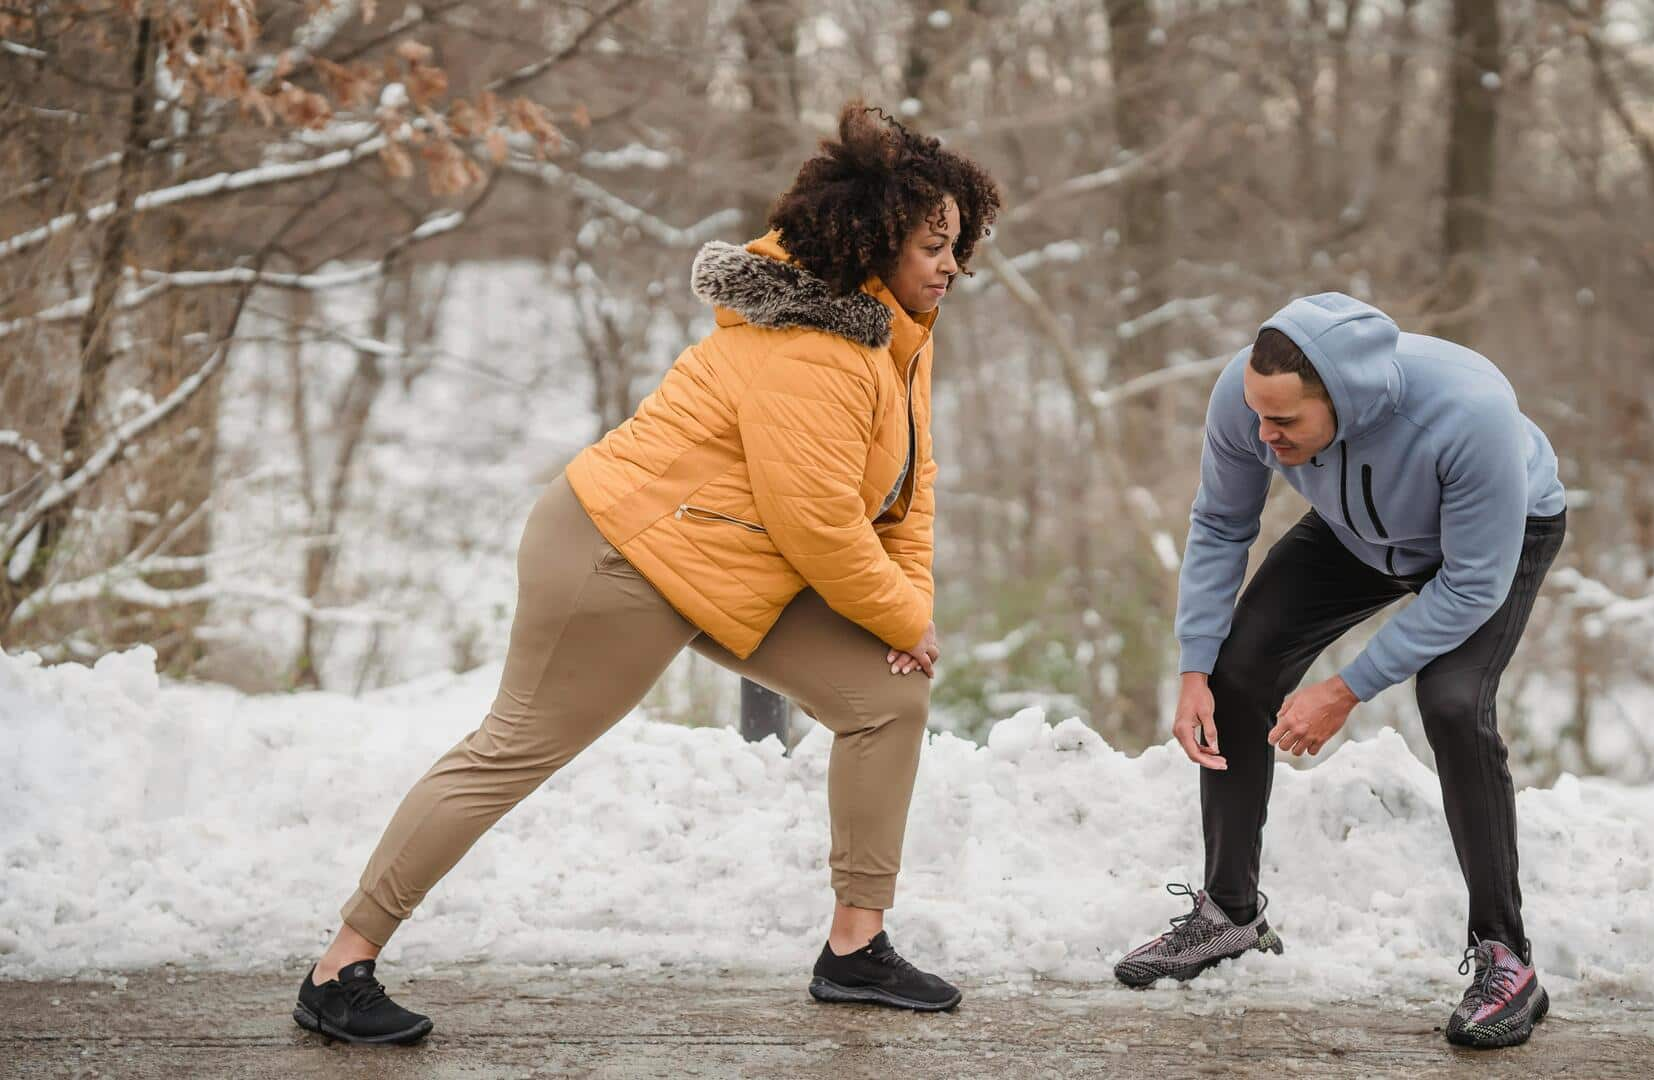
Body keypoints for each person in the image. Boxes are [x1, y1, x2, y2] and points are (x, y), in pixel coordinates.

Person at [293, 103, 1002, 1044]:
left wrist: (904, 615)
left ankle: (854, 949)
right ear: (874, 243)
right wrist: (903, 618)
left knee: (885, 700)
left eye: (957, 242)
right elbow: (820, 522)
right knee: (513, 751)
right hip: (617, 552)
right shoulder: (818, 354)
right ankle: (339, 966)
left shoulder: (894, 339)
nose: (950, 264)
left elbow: (907, 495)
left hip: (723, 561)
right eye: (931, 244)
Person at [1114, 293, 1566, 1050]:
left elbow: (1473, 586)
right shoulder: (1249, 394)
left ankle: (1507, 958)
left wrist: (1347, 686)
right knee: (1237, 671)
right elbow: (1224, 523)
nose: (1264, 433)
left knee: (1453, 702)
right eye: (1259, 416)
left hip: (1490, 540)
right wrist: (1194, 665)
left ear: (1345, 403)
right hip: (1360, 533)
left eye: (1285, 423)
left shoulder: (1469, 411)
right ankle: (1230, 916)